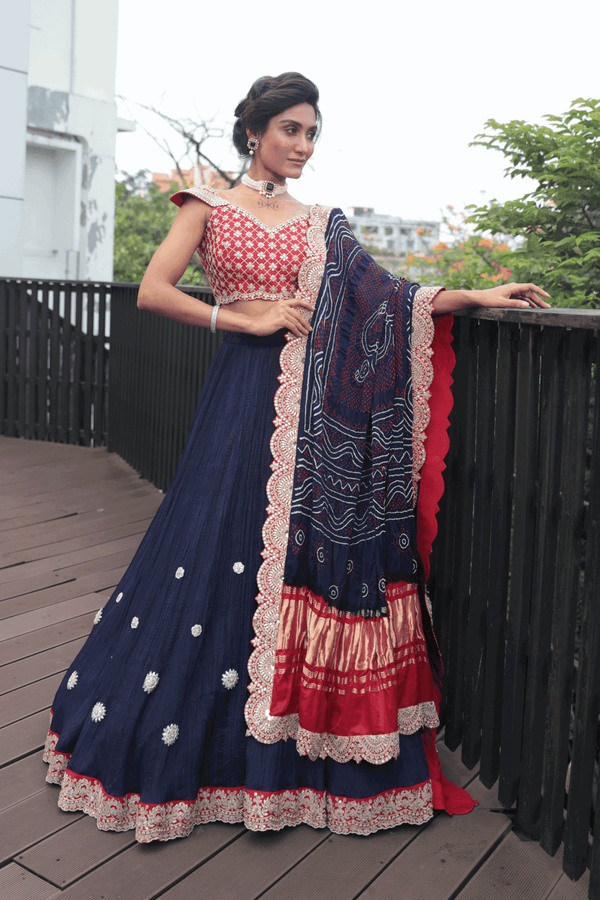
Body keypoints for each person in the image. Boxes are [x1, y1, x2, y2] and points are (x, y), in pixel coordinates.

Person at [43, 73, 550, 842]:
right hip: (243, 396)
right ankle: (200, 742)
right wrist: (239, 319)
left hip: (315, 418)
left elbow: (387, 296)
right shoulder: (206, 203)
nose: (304, 146)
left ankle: (283, 746)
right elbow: (152, 289)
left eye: (313, 133)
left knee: (288, 561)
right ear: (255, 132)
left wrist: (473, 296)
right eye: (291, 130)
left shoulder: (323, 221)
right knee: (221, 546)